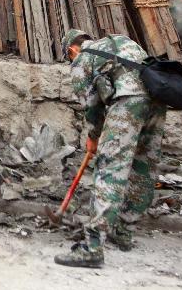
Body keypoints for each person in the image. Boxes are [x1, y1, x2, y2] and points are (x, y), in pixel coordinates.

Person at [53, 29, 165, 269]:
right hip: (157, 101)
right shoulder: (120, 41)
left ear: (72, 49)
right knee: (143, 167)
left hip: (127, 102)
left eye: (68, 57)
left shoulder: (82, 59)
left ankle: (92, 247)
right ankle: (123, 230)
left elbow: (92, 106)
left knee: (110, 170)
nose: (71, 61)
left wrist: (94, 136)